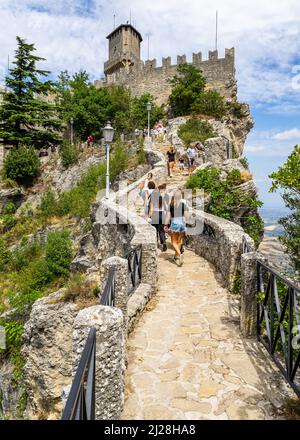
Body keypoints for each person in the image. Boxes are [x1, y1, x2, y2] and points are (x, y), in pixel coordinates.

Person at [164, 189, 189, 266]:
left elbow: (168, 216)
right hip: (182, 223)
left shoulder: (171, 205)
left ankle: (179, 254)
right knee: (179, 241)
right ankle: (176, 256)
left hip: (175, 223)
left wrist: (165, 225)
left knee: (173, 242)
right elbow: (187, 216)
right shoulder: (183, 205)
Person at [148, 183, 169, 251]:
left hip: (155, 214)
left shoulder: (153, 198)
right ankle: (163, 242)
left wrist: (149, 217)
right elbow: (166, 208)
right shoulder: (163, 198)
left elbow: (151, 209)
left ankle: (156, 244)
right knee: (161, 230)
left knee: (155, 230)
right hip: (162, 214)